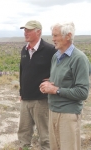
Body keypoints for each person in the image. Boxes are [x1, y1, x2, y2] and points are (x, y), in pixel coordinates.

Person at [40, 22, 91, 150]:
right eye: (52, 35)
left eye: (56, 35)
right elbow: (58, 80)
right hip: (53, 111)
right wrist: (48, 84)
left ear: (68, 36)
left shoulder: (79, 59)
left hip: (68, 114)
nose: (53, 39)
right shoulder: (55, 57)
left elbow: (82, 92)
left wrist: (56, 90)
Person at [18, 20, 57, 150]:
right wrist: (21, 92)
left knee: (45, 136)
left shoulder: (50, 50)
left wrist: (53, 80)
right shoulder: (24, 49)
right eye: (25, 30)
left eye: (28, 30)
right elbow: (22, 72)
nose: (25, 33)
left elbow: (60, 69)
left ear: (38, 31)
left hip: (42, 100)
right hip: (25, 99)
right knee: (23, 133)